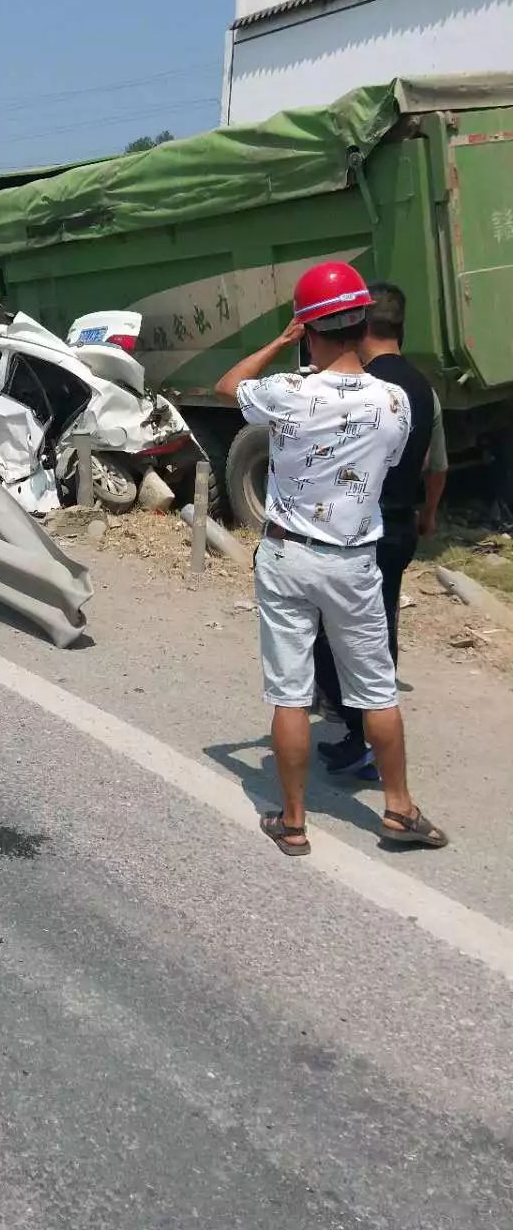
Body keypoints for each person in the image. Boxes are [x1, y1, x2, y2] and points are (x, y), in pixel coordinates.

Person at [214, 261, 447, 857]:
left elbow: (227, 386)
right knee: (377, 690)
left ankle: (293, 824)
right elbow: (394, 465)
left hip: (287, 558)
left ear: (309, 328)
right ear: (363, 321)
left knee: (290, 693)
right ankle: (399, 812)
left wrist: (278, 343)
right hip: (353, 563)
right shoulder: (395, 400)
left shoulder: (287, 393)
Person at [314, 283, 448, 777]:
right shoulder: (423, 389)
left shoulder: (359, 386)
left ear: (362, 327)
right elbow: (437, 465)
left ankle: (361, 731)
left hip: (355, 531)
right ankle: (372, 730)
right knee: (381, 624)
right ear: (402, 328)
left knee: (329, 632)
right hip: (400, 530)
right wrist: (428, 512)